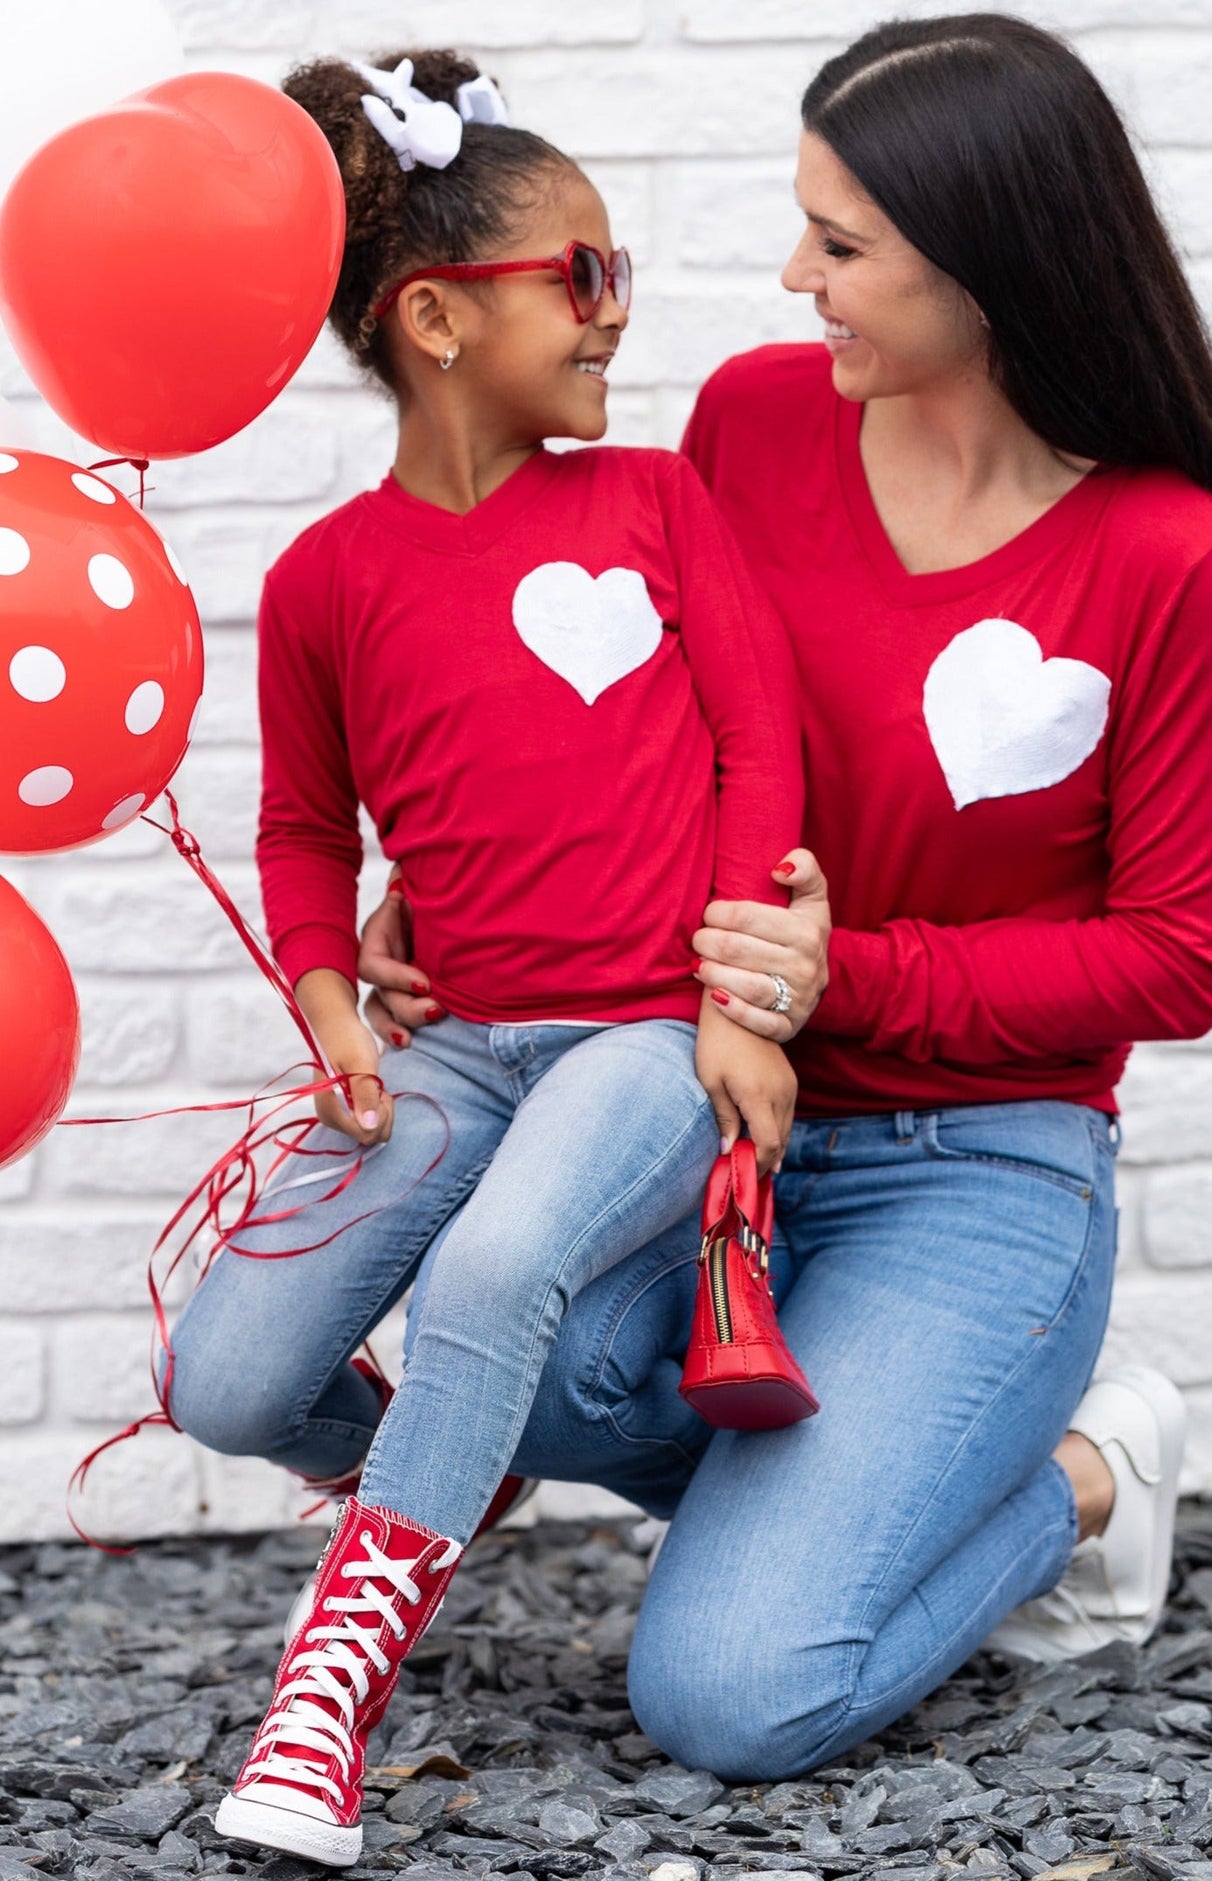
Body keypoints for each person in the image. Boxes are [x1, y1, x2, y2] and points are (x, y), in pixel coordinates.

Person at [359, 14, 1212, 1783]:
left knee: (733, 1694)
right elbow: (643, 719)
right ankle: (874, 1484)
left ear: (986, 265)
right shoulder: (753, 424)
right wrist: (448, 896)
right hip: (711, 1116)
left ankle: (1079, 1472)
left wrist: (852, 977)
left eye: (841, 244)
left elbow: (1179, 959)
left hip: (975, 1169)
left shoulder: (1176, 561)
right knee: (524, 1348)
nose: (790, 276)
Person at [162, 48, 803, 1866]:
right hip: (456, 1049)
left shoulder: (660, 505)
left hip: (644, 1043)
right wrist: (328, 997)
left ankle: (327, 1698)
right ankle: (446, 1466)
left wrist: (741, 994)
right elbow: (306, 833)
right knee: (224, 1376)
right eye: (583, 275)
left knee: (500, 1261)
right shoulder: (325, 582)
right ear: (441, 316)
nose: (618, 309)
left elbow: (767, 751)